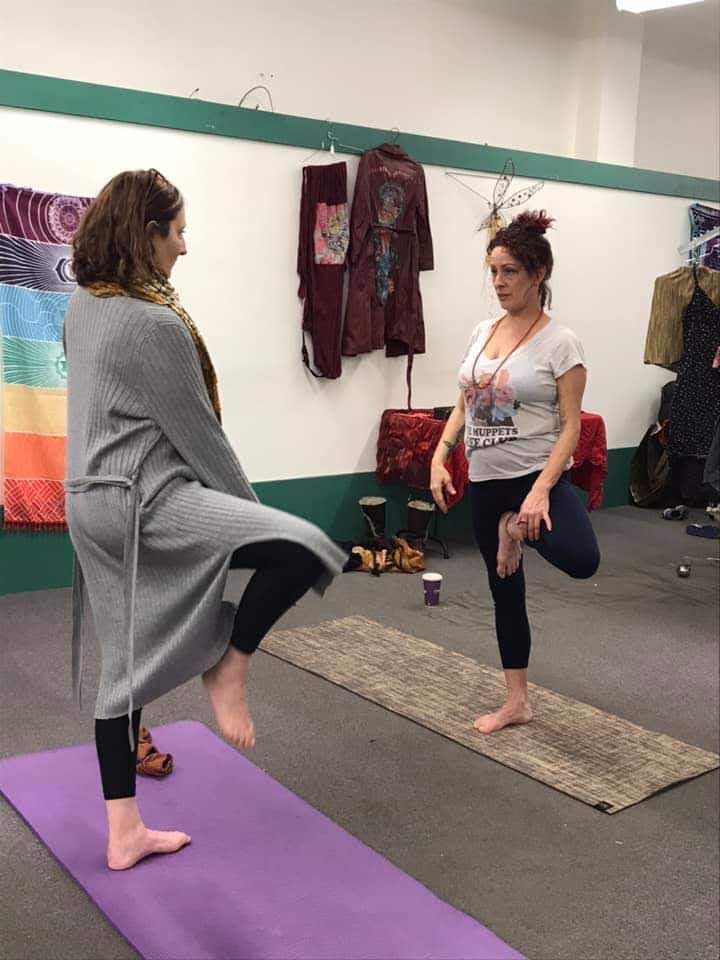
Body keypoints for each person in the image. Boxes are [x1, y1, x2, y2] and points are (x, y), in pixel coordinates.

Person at [64, 169, 346, 870]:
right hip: (145, 502)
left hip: (90, 503)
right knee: (305, 546)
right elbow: (202, 440)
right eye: (178, 232)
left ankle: (124, 833)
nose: (185, 247)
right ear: (147, 235)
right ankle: (229, 665)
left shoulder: (85, 302)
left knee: (122, 670)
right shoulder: (153, 324)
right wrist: (252, 520)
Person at [430, 211, 600, 735]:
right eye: (494, 271)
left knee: (582, 559)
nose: (499, 283)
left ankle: (513, 527)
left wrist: (541, 491)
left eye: (510, 272)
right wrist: (440, 453)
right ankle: (516, 701)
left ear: (538, 274)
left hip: (533, 476)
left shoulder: (560, 343)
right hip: (487, 479)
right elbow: (468, 399)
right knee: (505, 591)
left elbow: (571, 426)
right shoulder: (483, 332)